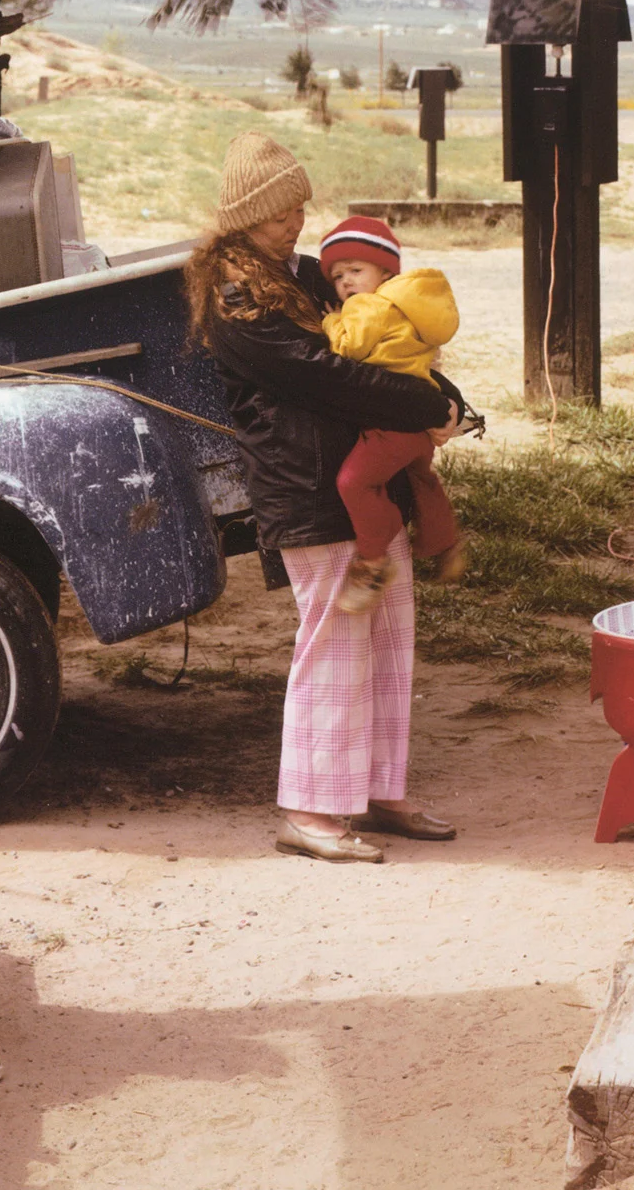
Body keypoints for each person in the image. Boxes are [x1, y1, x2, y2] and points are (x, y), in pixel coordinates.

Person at [186, 133, 465, 864]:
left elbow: (387, 336)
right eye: (281, 210)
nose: (297, 220)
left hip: (361, 484)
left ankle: (377, 789)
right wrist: (422, 403)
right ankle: (308, 809)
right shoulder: (236, 294)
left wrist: (443, 395)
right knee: (335, 644)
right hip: (308, 488)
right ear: (247, 213)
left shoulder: (301, 275)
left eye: (300, 206)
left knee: (387, 637)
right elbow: (323, 376)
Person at [315, 214, 468, 615]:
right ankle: (445, 543)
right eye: (337, 276)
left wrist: (331, 320)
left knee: (355, 484)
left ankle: (372, 560)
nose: (346, 282)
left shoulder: (368, 306)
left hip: (391, 423)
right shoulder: (407, 307)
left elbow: (348, 349)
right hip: (419, 421)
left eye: (355, 270)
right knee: (422, 479)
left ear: (384, 272)